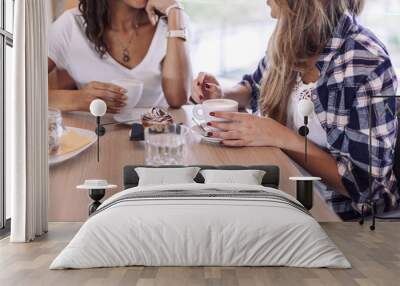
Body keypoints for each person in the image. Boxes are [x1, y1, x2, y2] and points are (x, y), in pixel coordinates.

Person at [192, 0, 399, 220]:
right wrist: (222, 94)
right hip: (284, 194)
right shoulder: (291, 35)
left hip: (337, 217)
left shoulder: (365, 62)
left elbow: (366, 188)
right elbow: (255, 87)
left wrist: (281, 137)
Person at [48, 0, 192, 113]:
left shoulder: (173, 22)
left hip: (157, 140)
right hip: (97, 142)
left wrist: (175, 11)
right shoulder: (70, 25)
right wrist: (78, 99)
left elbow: (177, 98)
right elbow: (25, 93)